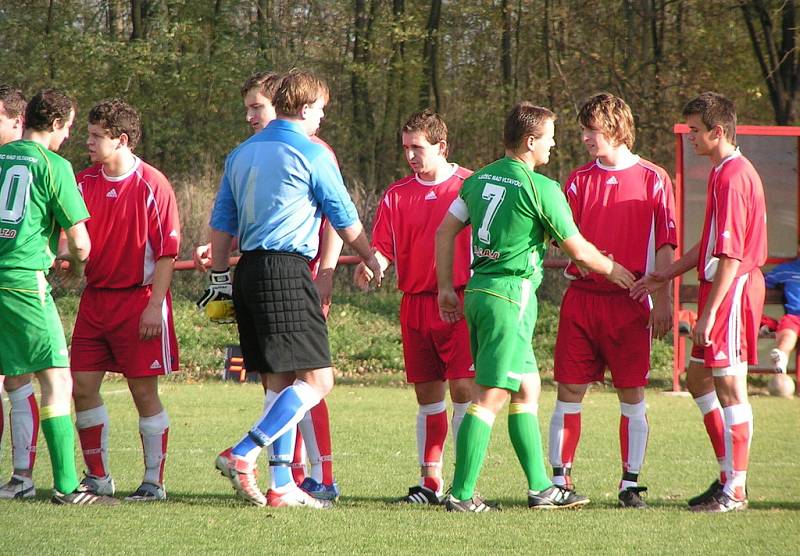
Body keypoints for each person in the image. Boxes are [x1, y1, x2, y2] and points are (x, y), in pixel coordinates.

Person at [436, 102, 636, 512]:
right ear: (530, 142)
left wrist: (444, 288)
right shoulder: (539, 187)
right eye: (549, 137)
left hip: (480, 292)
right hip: (511, 295)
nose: (554, 143)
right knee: (491, 394)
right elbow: (577, 249)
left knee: (528, 387)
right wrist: (615, 269)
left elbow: (445, 230)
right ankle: (460, 493)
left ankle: (542, 488)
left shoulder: (478, 179)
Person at [208, 69, 382, 509]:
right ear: (305, 108)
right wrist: (369, 255)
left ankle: (281, 485)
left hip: (247, 270)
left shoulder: (240, 154)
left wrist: (219, 281)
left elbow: (221, 224)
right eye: (321, 109)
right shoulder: (311, 152)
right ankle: (243, 452)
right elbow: (343, 217)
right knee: (318, 380)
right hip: (286, 270)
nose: (322, 118)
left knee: (278, 381)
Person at [632, 92, 767, 512]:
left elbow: (729, 258)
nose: (690, 138)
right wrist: (662, 275)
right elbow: (708, 245)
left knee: (731, 388)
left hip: (731, 290)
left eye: (694, 131)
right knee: (698, 380)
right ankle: (727, 475)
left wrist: (708, 315)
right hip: (720, 288)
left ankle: (736, 490)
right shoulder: (720, 172)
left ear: (718, 131)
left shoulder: (733, 176)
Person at [547, 93, 677, 509]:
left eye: (592, 129)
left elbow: (667, 245)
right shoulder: (577, 181)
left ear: (617, 129)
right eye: (583, 129)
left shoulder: (655, 178)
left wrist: (664, 298)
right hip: (582, 300)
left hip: (630, 301)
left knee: (633, 393)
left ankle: (630, 484)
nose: (585, 137)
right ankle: (559, 480)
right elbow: (564, 240)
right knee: (568, 390)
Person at [0, 88, 116, 504]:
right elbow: (81, 244)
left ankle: (21, 479)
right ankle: (68, 487)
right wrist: (77, 266)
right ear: (54, 125)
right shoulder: (54, 165)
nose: (67, 136)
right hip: (22, 282)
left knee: (10, 379)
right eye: (67, 127)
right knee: (56, 379)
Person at [354, 110, 474, 504]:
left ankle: (464, 481)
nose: (410, 156)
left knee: (463, 389)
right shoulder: (396, 194)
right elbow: (384, 248)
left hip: (459, 303)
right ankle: (430, 482)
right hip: (415, 305)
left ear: (442, 147)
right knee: (427, 396)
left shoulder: (470, 186)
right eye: (406, 148)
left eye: (417, 148)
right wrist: (374, 267)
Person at [70, 98, 180, 502]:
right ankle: (98, 477)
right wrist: (68, 258)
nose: (89, 142)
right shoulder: (82, 182)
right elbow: (71, 236)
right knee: (81, 386)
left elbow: (167, 253)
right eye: (88, 134)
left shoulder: (154, 184)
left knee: (143, 392)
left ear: (123, 140)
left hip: (140, 301)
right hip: (95, 301)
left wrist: (155, 306)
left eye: (97, 136)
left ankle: (153, 482)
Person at [0, 84, 41, 500]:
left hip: (21, 284)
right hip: (20, 283)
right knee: (18, 379)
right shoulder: (44, 162)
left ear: (18, 119)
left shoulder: (38, 162)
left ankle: (23, 476)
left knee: (21, 378)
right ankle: (22, 477)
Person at [764, 258, 800, 373]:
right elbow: (764, 281)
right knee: (787, 333)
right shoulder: (786, 270)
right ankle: (781, 357)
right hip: (794, 316)